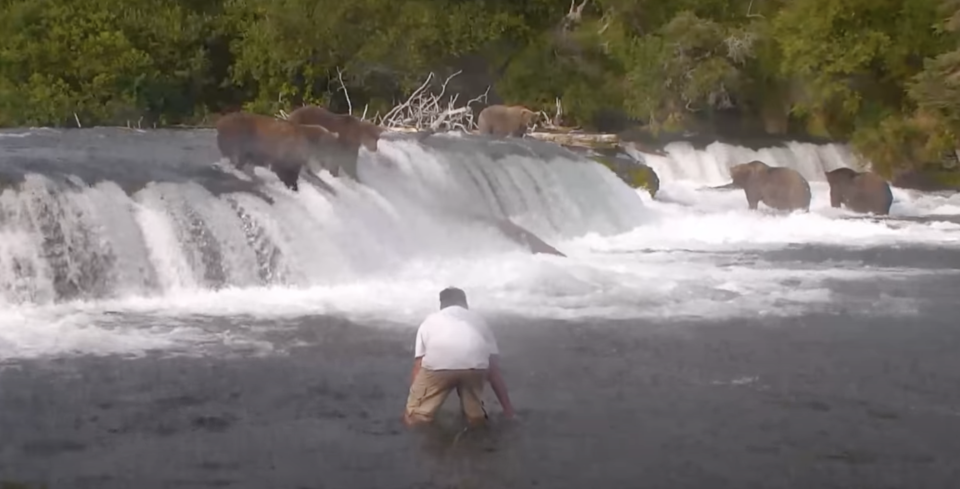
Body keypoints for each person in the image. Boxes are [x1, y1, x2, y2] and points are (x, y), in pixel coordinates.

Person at [403, 287, 515, 427]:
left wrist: (415, 397)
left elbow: (418, 365)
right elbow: (494, 370)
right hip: (476, 367)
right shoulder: (479, 320)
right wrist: (508, 409)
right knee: (476, 416)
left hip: (439, 366)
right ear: (465, 303)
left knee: (415, 416)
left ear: (441, 304)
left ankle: (418, 431)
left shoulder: (430, 320)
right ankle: (477, 431)